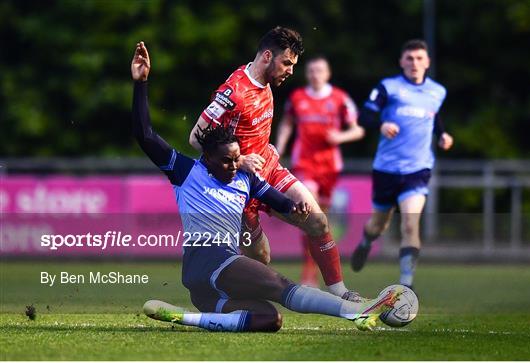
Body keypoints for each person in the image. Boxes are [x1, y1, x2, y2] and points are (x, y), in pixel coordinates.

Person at [131, 41, 403, 332]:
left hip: (207, 291)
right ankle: (356, 311)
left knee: (269, 319)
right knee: (279, 284)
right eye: (226, 160)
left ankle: (183, 317)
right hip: (208, 261)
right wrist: (141, 83)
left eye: (237, 159)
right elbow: (145, 135)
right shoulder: (186, 171)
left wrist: (295, 207)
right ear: (207, 157)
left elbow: (281, 201)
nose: (234, 165)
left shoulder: (245, 178)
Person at [188, 27, 361, 302]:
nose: (291, 71)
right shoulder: (232, 93)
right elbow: (195, 138)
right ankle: (225, 299)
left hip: (269, 170)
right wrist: (240, 160)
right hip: (239, 188)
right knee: (261, 257)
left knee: (317, 222)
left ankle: (342, 293)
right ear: (267, 56)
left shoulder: (267, 82)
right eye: (287, 63)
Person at [350, 39, 454, 289]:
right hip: (386, 168)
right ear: (401, 62)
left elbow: (434, 114)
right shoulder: (389, 87)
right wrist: (381, 124)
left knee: (410, 222)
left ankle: (407, 284)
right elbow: (364, 116)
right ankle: (366, 242)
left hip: (417, 170)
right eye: (409, 58)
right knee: (378, 225)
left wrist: (442, 135)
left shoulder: (437, 91)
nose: (414, 63)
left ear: (427, 62)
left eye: (419, 58)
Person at [275, 56, 365, 287]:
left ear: (328, 73)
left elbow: (358, 131)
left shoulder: (339, 99)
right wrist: (280, 146)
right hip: (305, 163)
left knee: (319, 220)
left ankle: (317, 269)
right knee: (310, 207)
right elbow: (287, 123)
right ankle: (308, 273)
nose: (315, 74)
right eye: (312, 70)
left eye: (320, 70)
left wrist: (340, 136)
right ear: (307, 74)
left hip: (330, 167)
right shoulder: (297, 98)